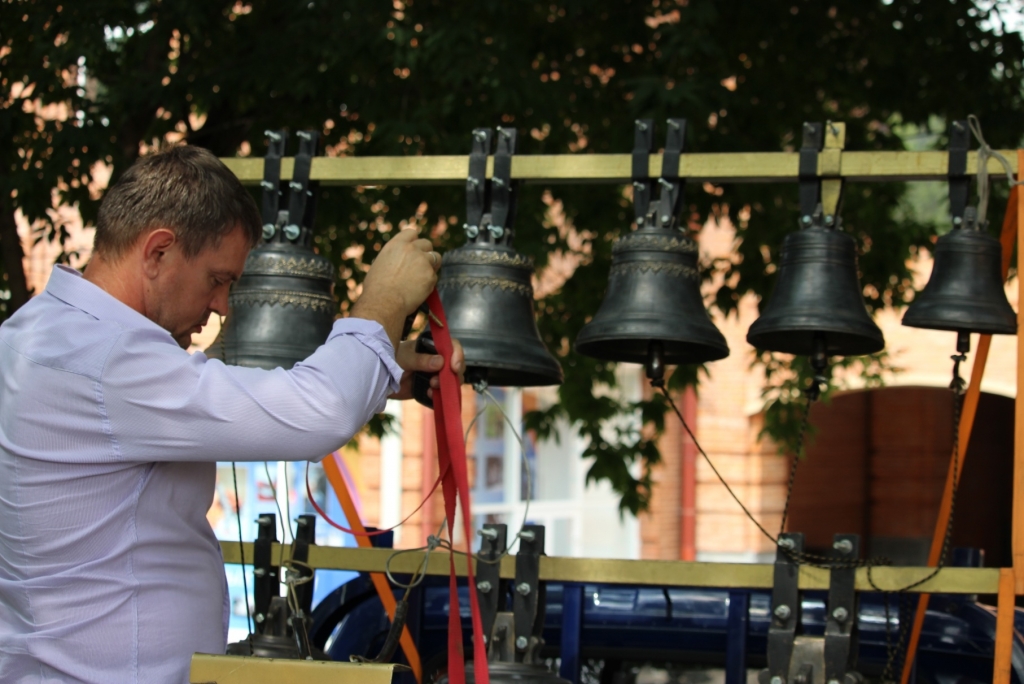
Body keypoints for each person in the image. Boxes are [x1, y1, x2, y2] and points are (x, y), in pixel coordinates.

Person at [0, 146, 463, 684]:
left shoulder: (38, 332)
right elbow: (322, 414)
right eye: (217, 279)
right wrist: (383, 299)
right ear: (158, 252)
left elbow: (222, 398)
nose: (223, 305)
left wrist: (381, 372)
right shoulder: (107, 361)